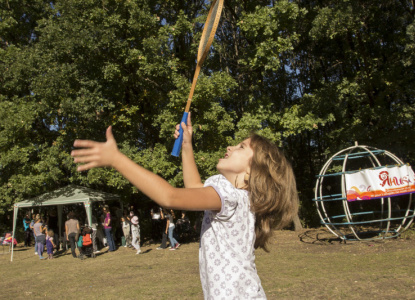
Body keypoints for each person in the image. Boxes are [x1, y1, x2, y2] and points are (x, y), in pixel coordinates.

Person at [71, 114, 299, 298]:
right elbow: (194, 187)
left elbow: (170, 197)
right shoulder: (232, 196)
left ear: (252, 171)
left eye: (240, 147)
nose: (230, 146)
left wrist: (117, 159)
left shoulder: (232, 197)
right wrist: (187, 144)